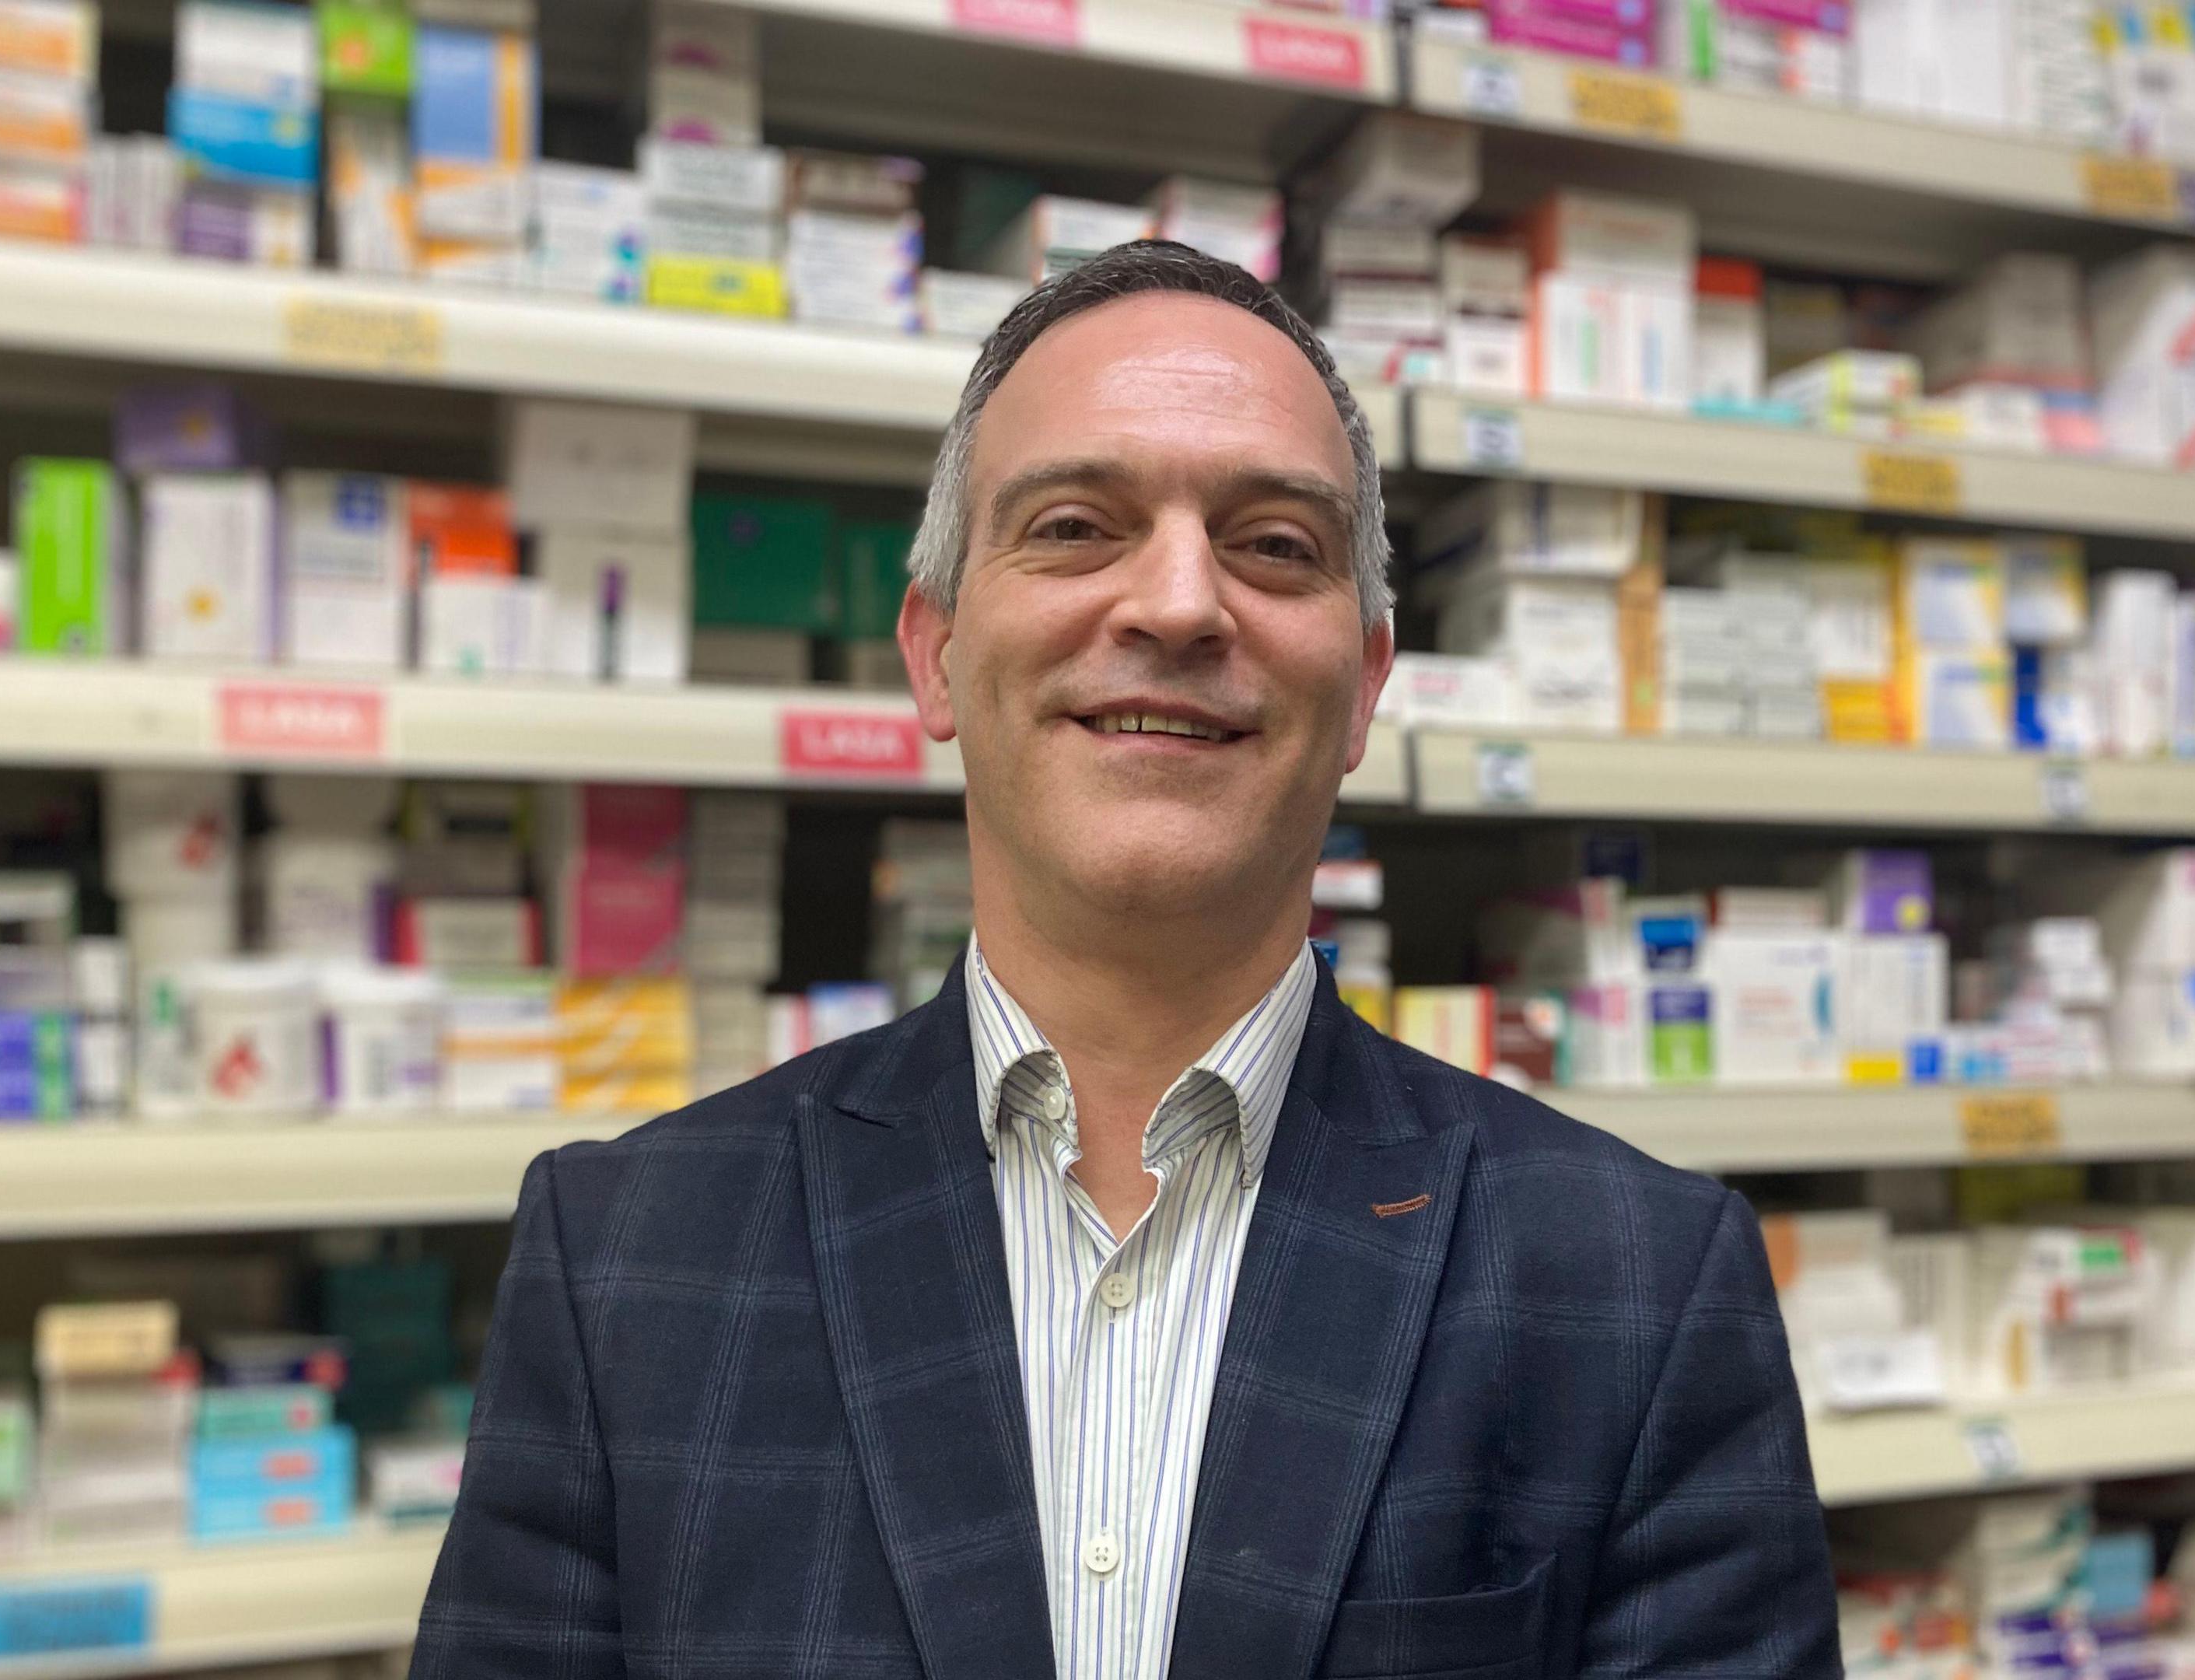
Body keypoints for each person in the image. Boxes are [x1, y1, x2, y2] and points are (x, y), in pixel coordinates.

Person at [412, 241, 1840, 1680]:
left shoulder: (1640, 1283)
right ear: (935, 652)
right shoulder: (627, 1260)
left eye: (1276, 545)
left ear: (1366, 684)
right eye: (1077, 527)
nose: (1177, 605)